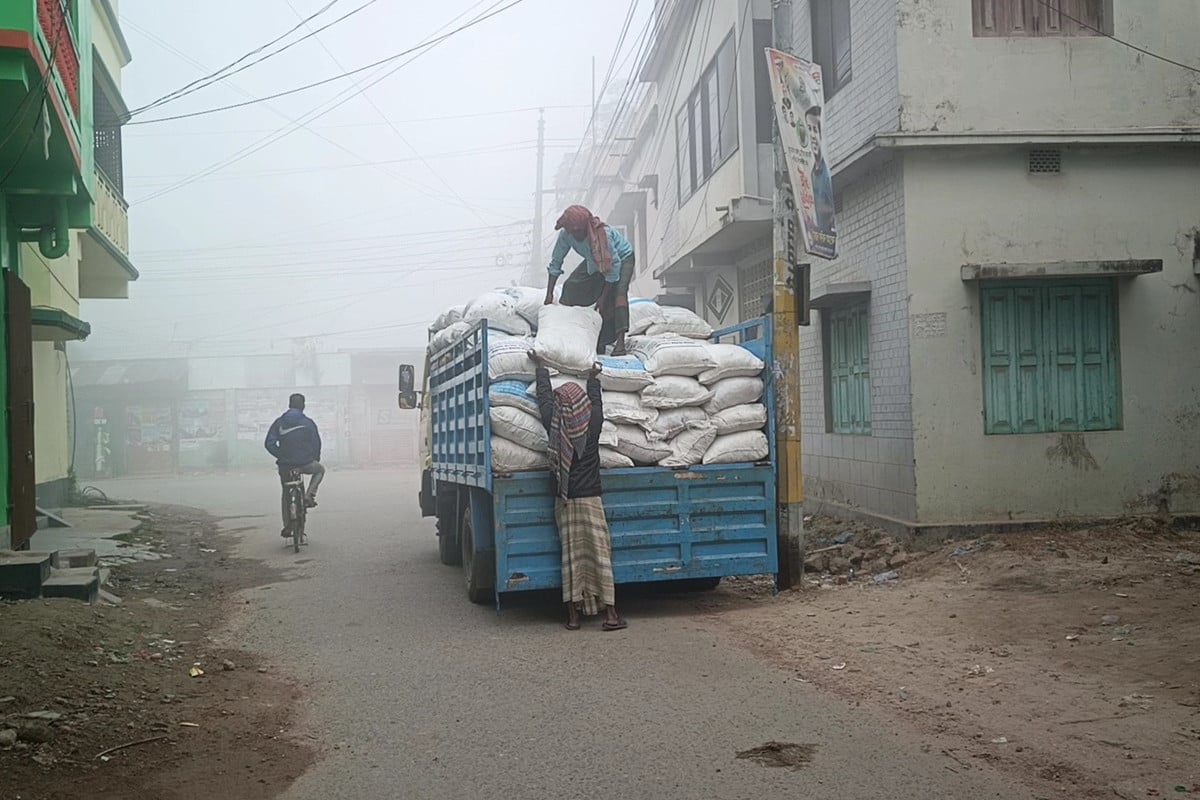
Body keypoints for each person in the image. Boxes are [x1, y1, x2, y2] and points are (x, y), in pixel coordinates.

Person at [531, 353, 627, 632]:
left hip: (565, 501)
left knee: (571, 557)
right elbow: (597, 403)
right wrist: (593, 379)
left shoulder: (555, 423)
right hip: (592, 500)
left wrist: (541, 370)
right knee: (600, 554)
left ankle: (573, 617)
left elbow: (545, 400)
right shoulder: (593, 422)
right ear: (582, 405)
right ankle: (610, 615)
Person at [545, 205, 635, 356]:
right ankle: (576, 334)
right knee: (571, 286)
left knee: (617, 295)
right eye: (573, 232)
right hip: (594, 261)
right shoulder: (565, 236)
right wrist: (549, 294)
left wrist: (603, 297)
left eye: (580, 231)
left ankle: (620, 343)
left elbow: (613, 268)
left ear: (587, 226)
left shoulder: (602, 235)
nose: (577, 235)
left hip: (620, 259)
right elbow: (556, 262)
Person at [264, 393, 325, 535]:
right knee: (320, 470)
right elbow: (316, 443)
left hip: (285, 465)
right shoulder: (308, 423)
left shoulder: (279, 422)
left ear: (289, 405)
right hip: (305, 463)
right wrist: (314, 458)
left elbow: (269, 443)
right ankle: (309, 495)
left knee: (286, 493)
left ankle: (288, 526)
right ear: (303, 406)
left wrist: (281, 455)